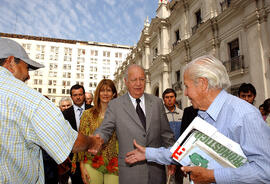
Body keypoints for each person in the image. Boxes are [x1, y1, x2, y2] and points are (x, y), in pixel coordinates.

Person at [125, 55, 270, 183]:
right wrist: (148, 153)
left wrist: (213, 176)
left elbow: (265, 170)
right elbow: (182, 151)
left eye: (187, 86)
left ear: (203, 83)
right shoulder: (202, 114)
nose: (186, 93)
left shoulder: (244, 115)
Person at [0, 37, 102, 183]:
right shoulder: (29, 100)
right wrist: (92, 142)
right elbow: (70, 141)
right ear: (10, 62)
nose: (28, 75)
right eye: (26, 67)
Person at [95, 64, 175, 184]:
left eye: (142, 79)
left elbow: (166, 134)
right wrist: (97, 139)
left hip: (156, 171)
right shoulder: (115, 105)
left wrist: (172, 158)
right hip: (129, 172)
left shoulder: (157, 102)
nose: (138, 83)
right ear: (126, 82)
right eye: (134, 80)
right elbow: (105, 129)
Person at [72, 79, 118, 184]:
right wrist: (82, 166)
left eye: (109, 90)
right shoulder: (87, 114)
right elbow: (82, 140)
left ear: (114, 94)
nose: (105, 93)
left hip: (114, 162)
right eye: (102, 90)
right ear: (98, 93)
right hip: (92, 161)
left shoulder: (120, 114)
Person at [63, 84, 93, 184]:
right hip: (73, 158)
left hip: (91, 156)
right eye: (75, 95)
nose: (78, 97)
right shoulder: (65, 114)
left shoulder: (94, 110)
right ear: (71, 97)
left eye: (80, 94)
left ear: (84, 95)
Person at [162, 88, 184, 184]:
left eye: (171, 97)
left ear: (175, 98)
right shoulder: (160, 114)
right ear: (164, 99)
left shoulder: (182, 113)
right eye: (167, 97)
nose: (169, 99)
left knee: (179, 178)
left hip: (179, 152)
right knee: (168, 178)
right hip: (166, 151)